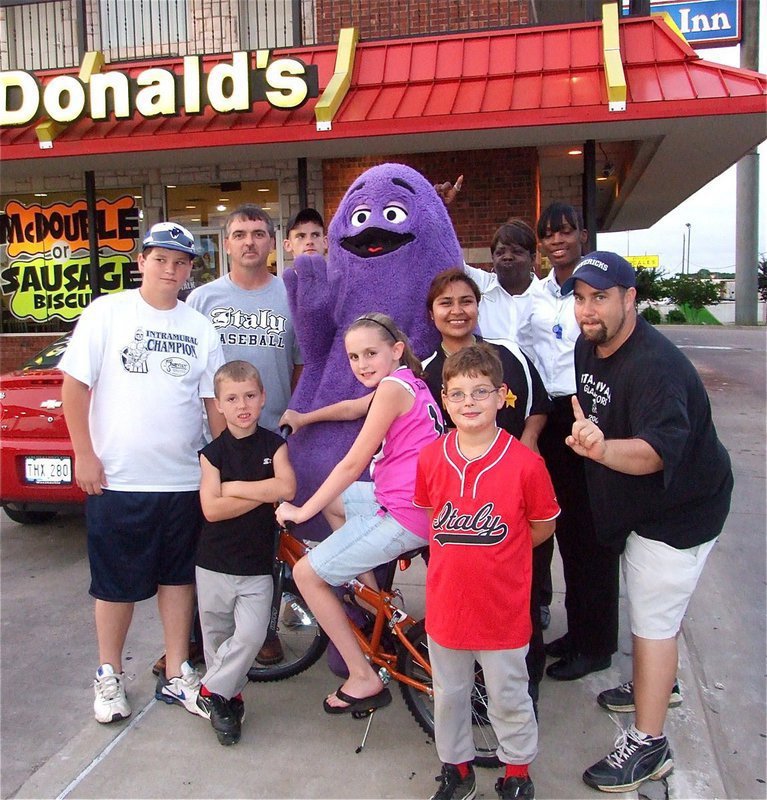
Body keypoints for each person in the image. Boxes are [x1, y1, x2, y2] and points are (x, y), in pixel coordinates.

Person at [560, 252, 732, 792]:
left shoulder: (657, 366)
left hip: (680, 513)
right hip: (646, 505)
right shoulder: (589, 346)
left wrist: (602, 448)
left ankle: (650, 743)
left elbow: (656, 453)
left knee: (652, 621)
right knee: (653, 609)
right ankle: (657, 684)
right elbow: (590, 408)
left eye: (601, 297)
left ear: (630, 299)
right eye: (581, 298)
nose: (588, 310)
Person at [59, 222, 225, 724]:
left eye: (180, 262)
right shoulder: (107, 312)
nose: (170, 269)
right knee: (115, 586)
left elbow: (213, 403)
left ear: (190, 269)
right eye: (160, 259)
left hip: (182, 480)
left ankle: (178, 672)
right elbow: (73, 388)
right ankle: (109, 674)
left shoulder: (199, 326)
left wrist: (220, 466)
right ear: (141, 261)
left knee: (178, 581)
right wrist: (83, 455)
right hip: (118, 481)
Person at [275, 313, 444, 712]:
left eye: (371, 353)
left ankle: (362, 677)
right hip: (412, 502)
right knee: (338, 503)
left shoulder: (391, 389)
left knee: (307, 573)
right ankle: (373, 601)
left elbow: (352, 463)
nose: (362, 363)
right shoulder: (406, 382)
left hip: (406, 513)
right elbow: (353, 408)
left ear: (396, 350)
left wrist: (301, 511)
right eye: (354, 357)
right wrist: (304, 418)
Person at [414, 344, 559, 800]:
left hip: (502, 609)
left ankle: (516, 772)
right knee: (450, 696)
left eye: (480, 392)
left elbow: (542, 526)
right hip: (446, 607)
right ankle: (457, 770)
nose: (469, 403)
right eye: (457, 394)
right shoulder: (431, 458)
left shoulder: (525, 463)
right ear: (443, 399)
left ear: (502, 396)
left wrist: (505, 550)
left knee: (509, 696)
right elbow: (427, 518)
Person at [421, 268, 552, 711]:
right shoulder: (424, 373)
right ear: (432, 313)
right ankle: (475, 692)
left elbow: (539, 405)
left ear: (479, 306)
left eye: (466, 301)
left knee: (519, 599)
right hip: (457, 515)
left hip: (512, 500)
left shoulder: (508, 354)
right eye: (446, 303)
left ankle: (522, 690)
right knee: (462, 605)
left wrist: (530, 437)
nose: (457, 311)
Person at [187, 204, 302, 666]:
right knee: (213, 535)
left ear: (272, 242)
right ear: (226, 243)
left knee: (266, 540)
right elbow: (196, 372)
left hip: (270, 438)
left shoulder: (289, 297)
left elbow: (298, 363)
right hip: (217, 438)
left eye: (258, 233)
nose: (249, 241)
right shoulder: (203, 300)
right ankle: (201, 636)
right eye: (239, 234)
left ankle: (265, 629)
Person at [526, 202, 620, 681]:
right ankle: (578, 631)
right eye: (548, 234)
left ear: (583, 235)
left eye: (565, 231)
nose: (557, 240)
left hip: (592, 409)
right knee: (565, 529)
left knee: (592, 534)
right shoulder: (537, 294)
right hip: (553, 414)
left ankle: (597, 644)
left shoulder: (596, 290)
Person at [195, 360, 296, 745]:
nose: (242, 405)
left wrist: (234, 486)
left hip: (256, 565)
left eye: (250, 396)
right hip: (213, 563)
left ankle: (209, 691)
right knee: (218, 642)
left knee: (251, 637)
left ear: (263, 397)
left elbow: (286, 489)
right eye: (232, 398)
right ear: (218, 404)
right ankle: (227, 700)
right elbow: (212, 510)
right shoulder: (212, 453)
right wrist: (261, 491)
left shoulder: (275, 445)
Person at [463, 220, 540, 351]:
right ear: (493, 257)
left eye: (517, 251)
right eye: (500, 252)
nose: (507, 257)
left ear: (533, 258)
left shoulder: (546, 297)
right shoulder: (481, 285)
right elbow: (450, 257)